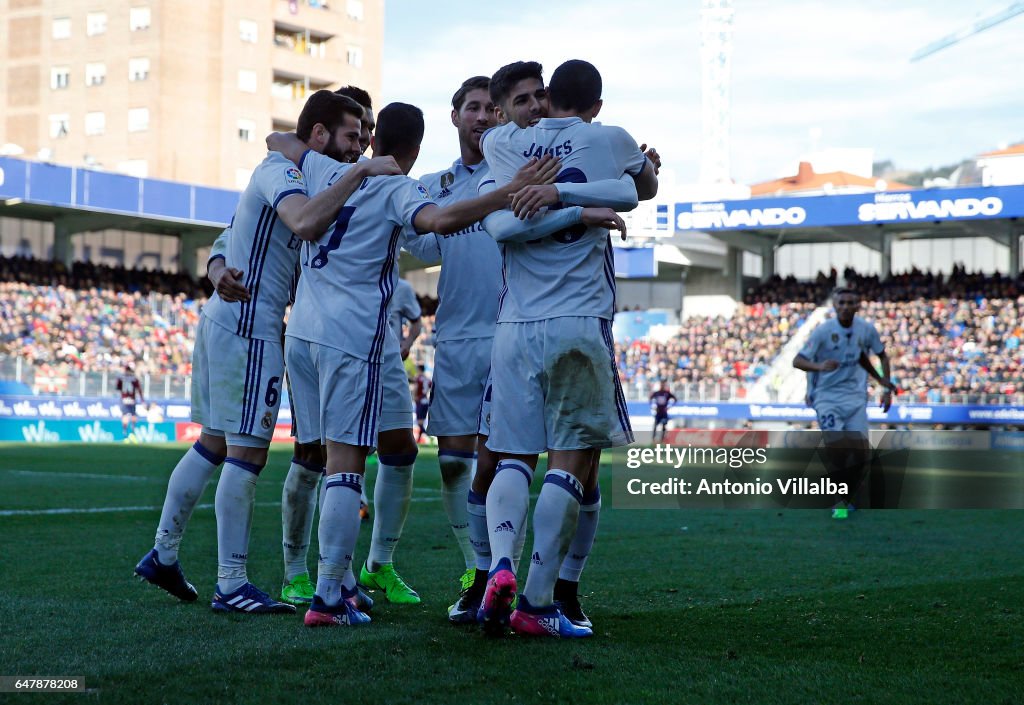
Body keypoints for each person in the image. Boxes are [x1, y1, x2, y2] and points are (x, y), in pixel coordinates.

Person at [270, 101, 568, 628]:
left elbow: (279, 141)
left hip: (303, 332)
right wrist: (506, 192)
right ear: (415, 148)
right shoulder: (396, 186)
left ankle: (337, 584)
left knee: (321, 455)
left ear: (373, 137)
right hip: (350, 336)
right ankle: (327, 598)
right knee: (345, 463)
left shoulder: (322, 167)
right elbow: (440, 218)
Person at [134, 90, 400, 614]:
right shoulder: (285, 171)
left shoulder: (294, 170)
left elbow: (226, 237)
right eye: (352, 136)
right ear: (318, 135)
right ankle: (231, 583)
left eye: (365, 138)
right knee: (247, 453)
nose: (360, 147)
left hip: (226, 318)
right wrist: (362, 173)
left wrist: (216, 270)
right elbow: (303, 222)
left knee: (211, 443)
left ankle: (163, 554)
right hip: (251, 328)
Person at [478, 59, 657, 638]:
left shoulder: (504, 143)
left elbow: (501, 226)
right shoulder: (611, 139)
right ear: (597, 105)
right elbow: (638, 189)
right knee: (574, 461)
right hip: (578, 320)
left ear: (548, 98)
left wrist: (547, 194)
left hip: (513, 326)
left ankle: (499, 565)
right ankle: (535, 603)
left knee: (510, 454)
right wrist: (578, 202)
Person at [792, 286, 895, 519]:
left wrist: (884, 385)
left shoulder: (866, 330)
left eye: (850, 303)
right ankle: (839, 500)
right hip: (827, 397)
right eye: (841, 303)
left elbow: (876, 356)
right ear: (835, 306)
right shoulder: (823, 331)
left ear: (858, 306)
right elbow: (798, 360)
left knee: (860, 454)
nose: (846, 307)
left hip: (856, 398)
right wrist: (818, 368)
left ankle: (848, 495)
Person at [115, 362, 145, 439]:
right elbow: (139, 390)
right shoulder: (134, 379)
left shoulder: (121, 378)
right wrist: (142, 400)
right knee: (133, 415)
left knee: (125, 416)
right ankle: (132, 432)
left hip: (124, 399)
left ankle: (125, 434)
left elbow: (117, 387)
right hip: (132, 399)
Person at [412, 364, 431, 444]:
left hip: (420, 401)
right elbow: (430, 387)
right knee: (422, 422)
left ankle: (427, 433)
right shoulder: (427, 378)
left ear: (419, 369)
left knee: (419, 422)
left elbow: (416, 388)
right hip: (425, 401)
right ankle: (419, 440)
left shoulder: (419, 378)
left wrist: (414, 396)